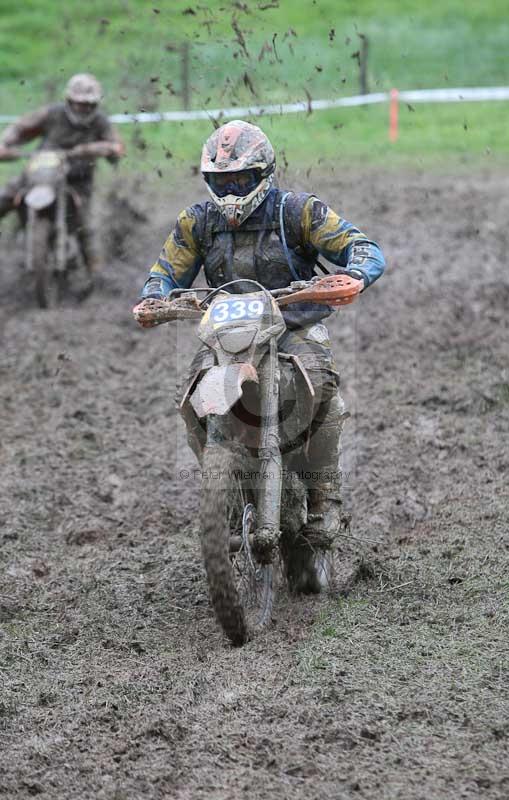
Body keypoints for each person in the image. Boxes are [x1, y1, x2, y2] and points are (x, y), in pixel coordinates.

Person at [138, 119, 386, 592]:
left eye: (240, 180)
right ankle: (223, 481)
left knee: (322, 388)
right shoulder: (197, 222)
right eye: (220, 182)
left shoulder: (298, 212)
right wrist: (155, 297)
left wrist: (355, 273)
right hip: (229, 334)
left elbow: (363, 247)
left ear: (264, 175)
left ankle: (322, 498)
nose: (230, 191)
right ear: (207, 181)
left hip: (294, 325)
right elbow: (164, 271)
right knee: (192, 397)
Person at [0, 73, 124, 287]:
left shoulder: (101, 122)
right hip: (40, 172)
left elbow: (117, 147)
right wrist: (6, 142)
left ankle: (97, 278)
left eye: (88, 105)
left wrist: (104, 149)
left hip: (78, 180)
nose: (82, 109)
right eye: (78, 104)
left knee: (86, 227)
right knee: (5, 196)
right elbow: (21, 128)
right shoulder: (52, 114)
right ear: (69, 101)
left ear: (95, 104)